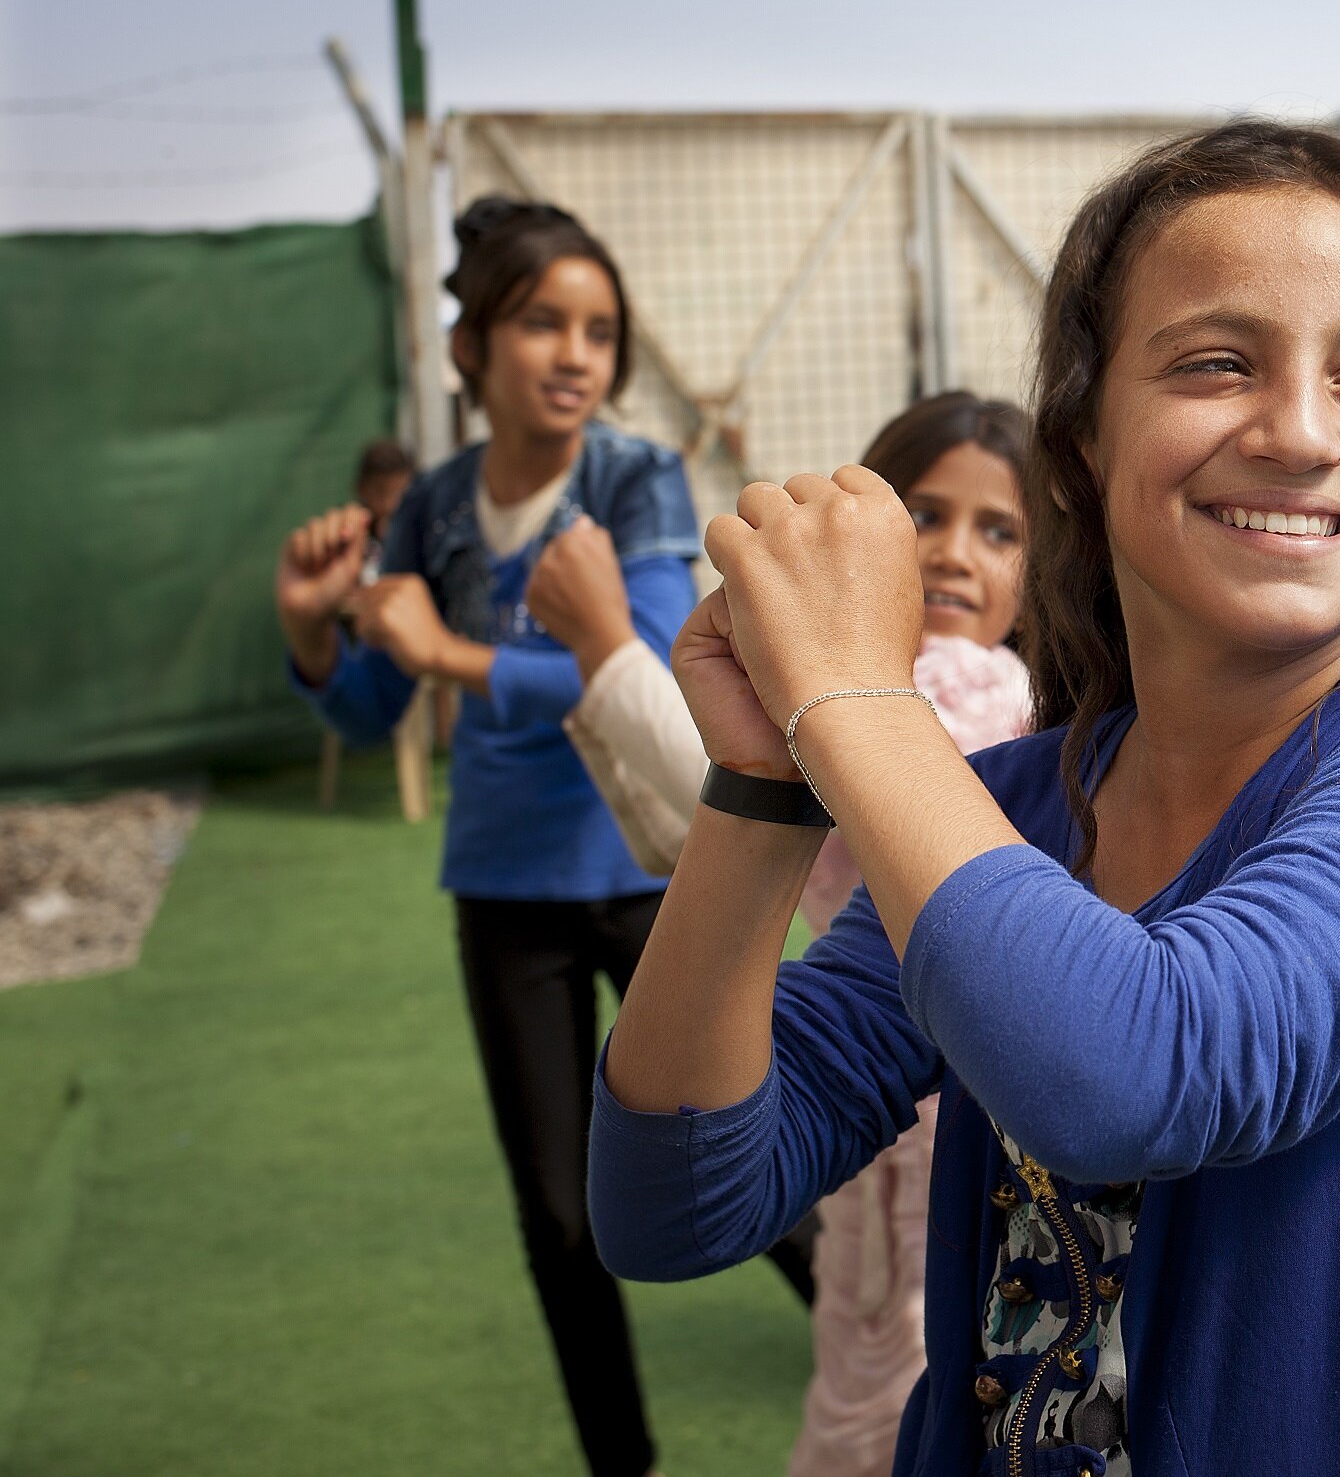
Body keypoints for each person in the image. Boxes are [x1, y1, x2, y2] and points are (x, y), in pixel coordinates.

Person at [586, 121, 1340, 1476]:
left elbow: (1136, 1069)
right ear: (1076, 440)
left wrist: (851, 698)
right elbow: (679, 1199)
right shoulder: (1009, 803)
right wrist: (767, 777)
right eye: (1215, 361)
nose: (1301, 430)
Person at [273, 197, 808, 1477]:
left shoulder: (630, 477)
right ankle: (618, 1458)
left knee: (757, 1156)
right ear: (470, 348)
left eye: (599, 329)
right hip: (503, 889)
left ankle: (881, 1360)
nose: (575, 352)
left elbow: (653, 661)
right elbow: (374, 697)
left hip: (651, 873)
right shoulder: (434, 507)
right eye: (539, 322)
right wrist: (312, 631)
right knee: (560, 1221)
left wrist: (455, 651)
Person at [529, 391, 1034, 1477]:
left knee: (906, 1387)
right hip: (874, 1128)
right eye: (924, 519)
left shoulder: (969, 694)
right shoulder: (901, 694)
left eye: (999, 530)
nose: (954, 553)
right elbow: (728, 799)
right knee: (867, 1366)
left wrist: (608, 645)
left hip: (944, 1134)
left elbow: (750, 776)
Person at [353, 436, 415, 581]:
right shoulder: (351, 538)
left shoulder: (416, 535)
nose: (390, 504)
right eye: (381, 492)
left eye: (399, 493)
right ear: (362, 488)